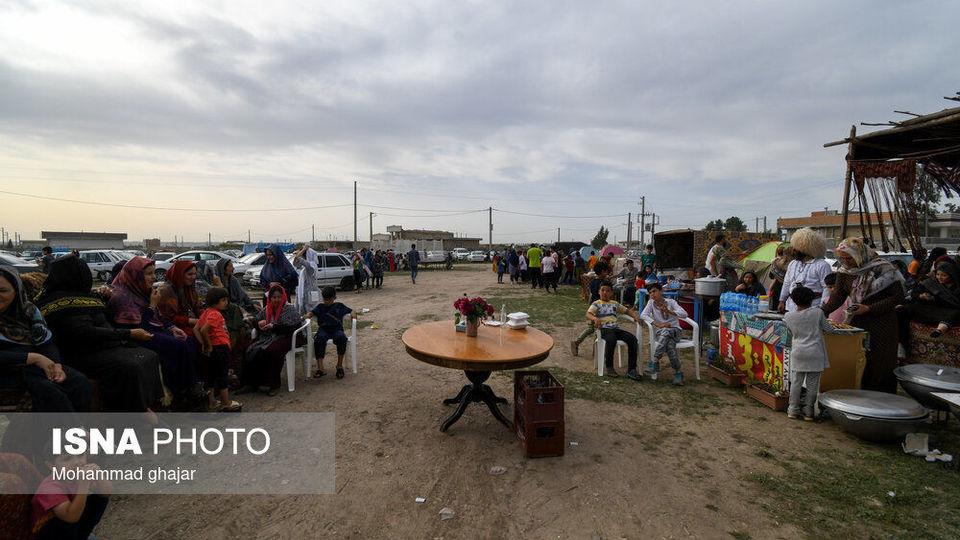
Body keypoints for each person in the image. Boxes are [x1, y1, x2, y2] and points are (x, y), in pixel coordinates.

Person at [35, 255, 162, 413]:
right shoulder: (59, 302)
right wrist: (128, 334)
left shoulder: (81, 295)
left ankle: (149, 405)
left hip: (101, 347)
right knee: (130, 366)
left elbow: (102, 318)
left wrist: (104, 297)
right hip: (78, 353)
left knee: (149, 356)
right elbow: (84, 332)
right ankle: (137, 413)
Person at [107, 257, 200, 403]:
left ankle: (190, 386)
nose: (153, 277)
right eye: (149, 274)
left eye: (153, 273)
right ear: (136, 275)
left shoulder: (143, 290)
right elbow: (138, 327)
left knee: (188, 340)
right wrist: (152, 305)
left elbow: (159, 317)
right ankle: (183, 390)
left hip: (152, 328)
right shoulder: (122, 297)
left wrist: (172, 327)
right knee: (179, 346)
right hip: (137, 335)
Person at [0, 265, 91, 412]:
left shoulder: (28, 311)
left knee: (79, 382)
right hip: (7, 369)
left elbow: (46, 343)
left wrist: (56, 365)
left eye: (3, 291)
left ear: (16, 292)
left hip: (32, 366)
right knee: (48, 390)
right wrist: (32, 358)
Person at [821, 237, 904, 393]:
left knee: (880, 363)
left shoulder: (883, 269)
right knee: (859, 361)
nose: (846, 261)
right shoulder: (845, 272)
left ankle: (881, 403)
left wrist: (869, 308)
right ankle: (858, 399)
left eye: (849, 258)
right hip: (857, 324)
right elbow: (836, 298)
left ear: (859, 255)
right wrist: (819, 312)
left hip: (882, 324)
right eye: (843, 258)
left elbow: (897, 297)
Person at [783, 286, 837, 420]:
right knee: (812, 384)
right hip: (815, 352)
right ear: (812, 300)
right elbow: (830, 330)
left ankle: (792, 410)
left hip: (798, 351)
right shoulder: (818, 313)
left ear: (794, 301)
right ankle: (808, 412)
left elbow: (790, 335)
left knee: (796, 382)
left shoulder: (788, 316)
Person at [32, 451, 112, 540]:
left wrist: (98, 474)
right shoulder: (50, 488)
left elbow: (107, 493)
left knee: (100, 498)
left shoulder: (77, 474)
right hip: (48, 532)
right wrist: (83, 485)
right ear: (51, 465)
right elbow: (70, 517)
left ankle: (82, 536)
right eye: (67, 459)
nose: (77, 462)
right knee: (69, 517)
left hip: (69, 526)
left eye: (80, 455)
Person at [240, 284, 302, 395]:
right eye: (274, 297)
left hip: (288, 337)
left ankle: (274, 385)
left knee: (272, 350)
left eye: (279, 297)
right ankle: (250, 383)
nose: (277, 300)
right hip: (269, 336)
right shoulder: (267, 309)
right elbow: (257, 321)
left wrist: (273, 326)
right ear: (270, 298)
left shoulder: (288, 309)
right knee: (248, 348)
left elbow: (292, 328)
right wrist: (260, 324)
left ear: (283, 297)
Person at [193, 287, 241, 412]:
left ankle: (212, 401)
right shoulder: (216, 314)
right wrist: (208, 345)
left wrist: (203, 344)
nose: (226, 303)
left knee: (211, 376)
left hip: (213, 350)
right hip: (220, 347)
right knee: (222, 375)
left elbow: (196, 329)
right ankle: (226, 402)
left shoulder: (206, 313)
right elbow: (204, 330)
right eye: (223, 300)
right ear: (215, 302)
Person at [587, 281, 642, 380]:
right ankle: (610, 367)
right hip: (604, 330)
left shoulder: (615, 303)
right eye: (602, 290)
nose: (605, 293)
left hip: (616, 329)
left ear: (612, 293)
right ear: (599, 292)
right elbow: (588, 314)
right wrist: (595, 319)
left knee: (633, 339)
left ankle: (631, 369)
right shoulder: (596, 303)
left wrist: (635, 316)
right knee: (611, 340)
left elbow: (627, 310)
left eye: (608, 291)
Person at [641, 282, 690, 386]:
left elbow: (684, 314)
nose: (652, 294)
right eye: (650, 293)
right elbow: (643, 315)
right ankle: (678, 373)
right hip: (661, 332)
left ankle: (655, 361)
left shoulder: (671, 302)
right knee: (670, 345)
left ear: (661, 291)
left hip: (675, 331)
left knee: (667, 331)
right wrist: (658, 324)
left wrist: (669, 311)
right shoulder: (651, 303)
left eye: (654, 291)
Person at [304, 286, 356, 380]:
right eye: (325, 299)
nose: (327, 302)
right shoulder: (320, 307)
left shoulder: (339, 306)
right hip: (324, 330)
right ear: (322, 298)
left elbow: (350, 310)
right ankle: (320, 367)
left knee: (341, 338)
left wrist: (353, 313)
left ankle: (339, 366)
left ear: (334, 298)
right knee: (319, 339)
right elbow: (311, 313)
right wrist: (308, 315)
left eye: (329, 300)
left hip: (337, 329)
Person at [778, 228, 831, 312]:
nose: (793, 251)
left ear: (806, 249)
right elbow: (787, 283)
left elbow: (827, 287)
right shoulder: (793, 264)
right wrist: (782, 300)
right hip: (791, 307)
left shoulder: (822, 265)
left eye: (796, 248)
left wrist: (822, 307)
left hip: (813, 308)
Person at [903, 261, 960, 338]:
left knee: (956, 313)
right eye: (938, 274)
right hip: (934, 311)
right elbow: (915, 295)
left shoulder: (957, 287)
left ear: (951, 276)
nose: (939, 277)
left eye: (944, 275)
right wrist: (922, 296)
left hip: (950, 312)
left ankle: (940, 329)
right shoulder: (932, 283)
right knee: (910, 308)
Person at [570, 261, 612, 356]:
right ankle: (595, 351)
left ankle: (577, 342)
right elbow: (604, 295)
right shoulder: (603, 283)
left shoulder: (593, 281)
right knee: (598, 329)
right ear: (602, 271)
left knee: (592, 328)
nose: (607, 274)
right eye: (606, 272)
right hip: (599, 308)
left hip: (593, 307)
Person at [156, 261, 203, 334]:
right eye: (190, 274)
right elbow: (167, 318)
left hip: (189, 322)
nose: (193, 277)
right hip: (172, 327)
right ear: (180, 275)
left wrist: (205, 318)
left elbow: (198, 307)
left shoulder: (189, 288)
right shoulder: (165, 291)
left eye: (195, 274)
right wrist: (191, 321)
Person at [293, 245, 320, 314]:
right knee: (300, 313)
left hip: (308, 294)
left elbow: (297, 258)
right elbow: (295, 262)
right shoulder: (305, 267)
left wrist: (303, 249)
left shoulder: (311, 266)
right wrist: (303, 250)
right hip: (302, 293)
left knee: (309, 313)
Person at [768, 245, 793, 311]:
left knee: (776, 309)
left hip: (777, 287)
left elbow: (771, 276)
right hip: (790, 290)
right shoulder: (795, 264)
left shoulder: (778, 262)